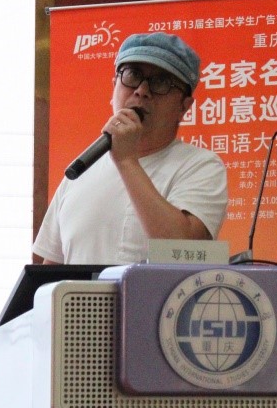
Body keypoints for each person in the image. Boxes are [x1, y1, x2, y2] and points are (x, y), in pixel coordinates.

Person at [33, 32, 228, 265]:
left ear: (184, 107)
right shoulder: (82, 169)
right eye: (133, 75)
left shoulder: (201, 166)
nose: (142, 90)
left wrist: (126, 161)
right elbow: (51, 272)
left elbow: (183, 251)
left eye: (160, 82)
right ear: (114, 87)